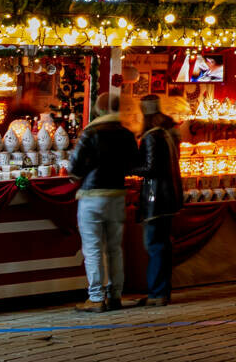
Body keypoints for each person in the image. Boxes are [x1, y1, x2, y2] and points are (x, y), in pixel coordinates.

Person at [69, 94, 138, 312]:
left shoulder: (90, 133)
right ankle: (115, 294)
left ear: (98, 110)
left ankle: (96, 297)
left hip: (92, 195)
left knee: (93, 248)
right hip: (117, 194)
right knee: (114, 248)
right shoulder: (126, 134)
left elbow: (75, 167)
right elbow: (134, 165)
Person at [135, 95, 185, 306]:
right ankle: (162, 290)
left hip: (155, 198)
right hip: (170, 195)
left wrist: (128, 168)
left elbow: (150, 168)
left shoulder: (151, 137)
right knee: (162, 245)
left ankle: (157, 292)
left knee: (154, 245)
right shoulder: (169, 134)